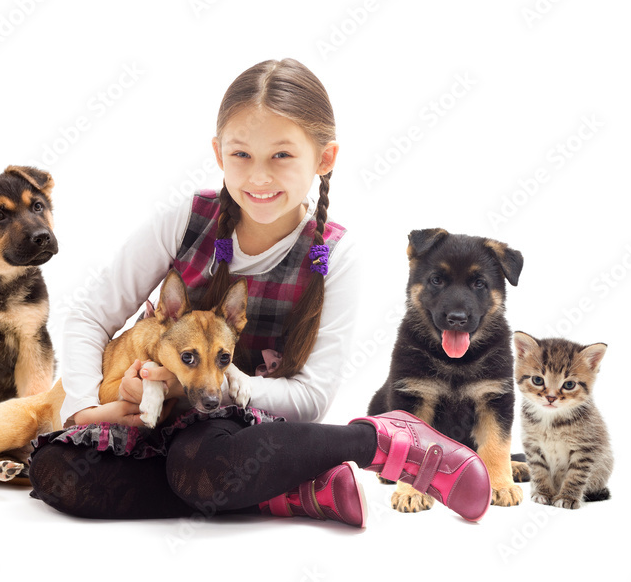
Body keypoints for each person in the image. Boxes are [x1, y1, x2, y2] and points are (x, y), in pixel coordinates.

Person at [27, 59, 492, 526]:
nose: (259, 178)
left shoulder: (331, 255)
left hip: (240, 431)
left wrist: (226, 388)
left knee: (202, 462)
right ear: (218, 153)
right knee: (56, 471)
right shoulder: (187, 220)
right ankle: (294, 490)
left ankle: (375, 441)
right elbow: (91, 316)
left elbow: (310, 398)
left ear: (324, 159)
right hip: (156, 416)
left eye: (282, 156)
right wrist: (86, 409)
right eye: (242, 155)